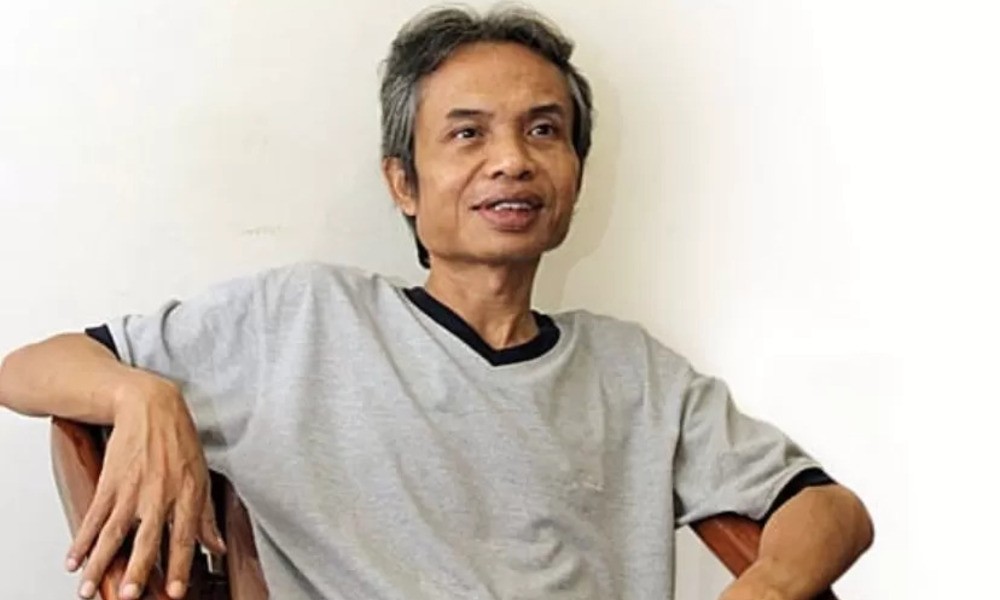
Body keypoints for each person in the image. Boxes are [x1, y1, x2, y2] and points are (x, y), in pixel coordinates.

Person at [0, 5, 873, 600]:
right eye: (468, 133)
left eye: (544, 130)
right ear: (404, 183)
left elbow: (829, 511)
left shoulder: (635, 372)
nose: (513, 160)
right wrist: (139, 394)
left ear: (575, 174)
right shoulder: (302, 320)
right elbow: (25, 369)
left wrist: (765, 586)